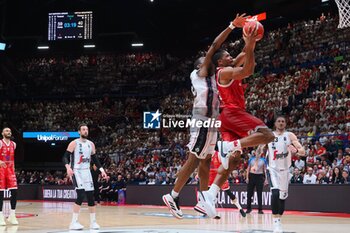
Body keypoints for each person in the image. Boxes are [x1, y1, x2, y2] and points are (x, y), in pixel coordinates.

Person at [162, 13, 248, 219]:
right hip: (202, 120)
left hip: (212, 123)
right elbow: (214, 48)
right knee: (193, 159)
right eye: (206, 60)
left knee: (206, 161)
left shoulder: (215, 75)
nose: (208, 61)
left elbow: (237, 59)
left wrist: (250, 41)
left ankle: (203, 202)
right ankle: (173, 195)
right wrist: (231, 26)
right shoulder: (200, 72)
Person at [199, 22, 275, 218]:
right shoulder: (224, 72)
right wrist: (250, 44)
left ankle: (211, 193)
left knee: (234, 160)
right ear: (220, 63)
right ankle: (231, 145)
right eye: (227, 56)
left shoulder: (227, 68)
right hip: (232, 113)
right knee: (267, 135)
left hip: (225, 118)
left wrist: (251, 42)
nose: (231, 57)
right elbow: (248, 70)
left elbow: (244, 54)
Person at [263, 116, 306, 233]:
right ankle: (276, 223)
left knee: (282, 198)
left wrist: (296, 151)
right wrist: (257, 162)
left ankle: (279, 220)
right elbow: (260, 148)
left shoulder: (290, 136)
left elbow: (303, 152)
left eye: (283, 121)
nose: (281, 123)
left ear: (285, 123)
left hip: (285, 171)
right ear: (275, 124)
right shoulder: (269, 135)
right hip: (272, 169)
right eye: (279, 121)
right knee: (275, 192)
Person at [63, 124, 108, 230]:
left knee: (90, 197)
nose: (85, 131)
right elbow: (64, 157)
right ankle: (73, 223)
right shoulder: (74, 143)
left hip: (87, 172)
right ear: (79, 131)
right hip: (76, 171)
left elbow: (95, 159)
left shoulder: (91, 144)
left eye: (87, 129)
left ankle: (93, 222)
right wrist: (67, 167)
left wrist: (102, 170)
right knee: (81, 194)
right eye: (83, 129)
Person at [195, 151, 246, 218]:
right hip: (210, 177)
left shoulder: (218, 154)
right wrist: (198, 174)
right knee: (207, 196)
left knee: (230, 194)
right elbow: (202, 166)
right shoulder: (205, 155)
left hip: (219, 177)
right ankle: (206, 210)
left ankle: (240, 209)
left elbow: (225, 165)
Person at [0, 128, 18, 226]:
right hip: (1, 170)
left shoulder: (13, 144)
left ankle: (12, 215)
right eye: (6, 131)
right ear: (2, 133)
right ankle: (0, 216)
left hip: (10, 170)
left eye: (10, 131)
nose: (9, 132)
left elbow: (11, 157)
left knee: (14, 191)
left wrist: (14, 167)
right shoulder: (0, 143)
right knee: (1, 194)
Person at [246, 148, 267, 214]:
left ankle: (260, 209)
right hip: (252, 176)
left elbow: (265, 170)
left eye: (259, 152)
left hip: (259, 176)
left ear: (261, 153)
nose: (258, 153)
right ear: (255, 153)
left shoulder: (263, 160)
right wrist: (247, 177)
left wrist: (266, 179)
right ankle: (248, 209)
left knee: (259, 194)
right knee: (249, 194)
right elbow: (248, 169)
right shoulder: (251, 159)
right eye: (257, 152)